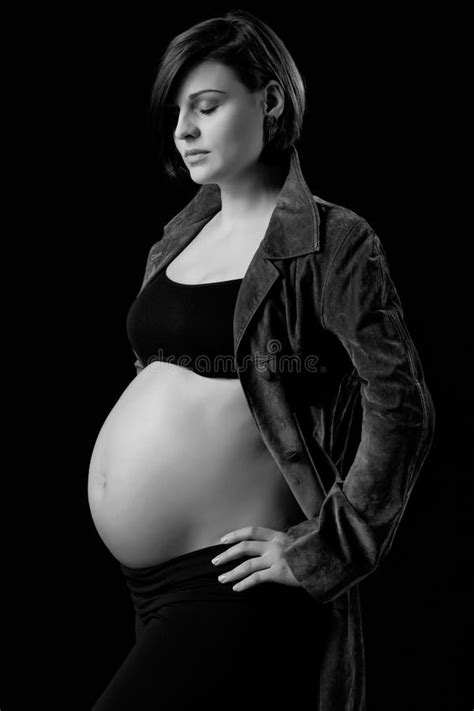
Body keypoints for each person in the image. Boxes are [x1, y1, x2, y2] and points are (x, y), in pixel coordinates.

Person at [88, 10, 435, 711]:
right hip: (150, 588)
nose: (183, 129)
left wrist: (321, 549)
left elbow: (401, 407)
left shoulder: (333, 241)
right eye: (177, 111)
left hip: (233, 579)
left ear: (270, 101)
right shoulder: (177, 238)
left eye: (207, 106)